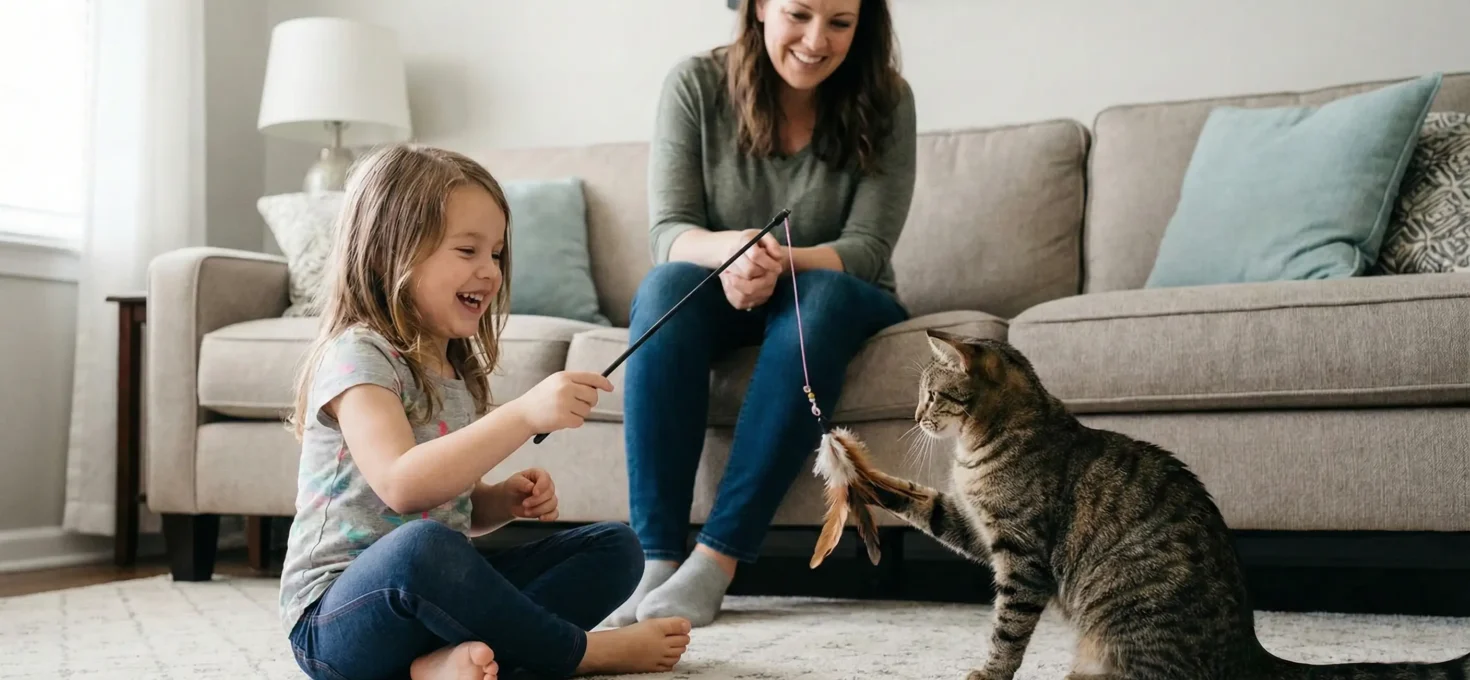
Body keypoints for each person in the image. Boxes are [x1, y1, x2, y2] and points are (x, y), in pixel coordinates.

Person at [278, 144, 691, 680]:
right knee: (423, 549)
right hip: (335, 624)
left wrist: (500, 502)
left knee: (615, 547)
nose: (490, 272)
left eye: (495, 254)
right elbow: (402, 486)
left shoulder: (456, 368)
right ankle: (578, 653)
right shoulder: (359, 356)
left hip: (430, 601)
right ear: (391, 253)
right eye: (467, 250)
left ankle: (434, 668)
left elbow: (453, 508)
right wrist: (523, 415)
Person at [608, 0, 916, 629]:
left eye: (840, 22)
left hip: (839, 291)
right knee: (664, 287)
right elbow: (669, 232)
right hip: (723, 279)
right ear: (756, 8)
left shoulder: (889, 98)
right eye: (798, 14)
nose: (816, 40)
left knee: (819, 297)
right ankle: (656, 558)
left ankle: (715, 561)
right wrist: (736, 252)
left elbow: (867, 247)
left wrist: (776, 261)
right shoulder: (695, 84)